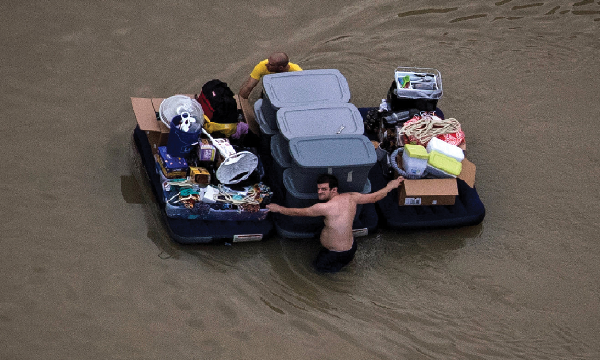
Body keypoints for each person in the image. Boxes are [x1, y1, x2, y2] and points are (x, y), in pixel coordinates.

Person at [267, 174, 404, 273]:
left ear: (334, 190)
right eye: (319, 189)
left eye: (323, 189)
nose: (319, 192)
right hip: (351, 248)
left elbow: (298, 212)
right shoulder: (351, 197)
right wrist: (391, 186)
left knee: (315, 272)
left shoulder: (324, 208)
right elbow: (375, 197)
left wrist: (278, 209)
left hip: (334, 254)